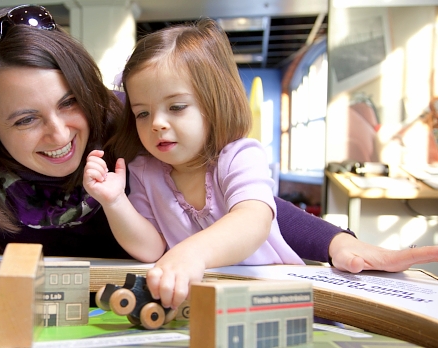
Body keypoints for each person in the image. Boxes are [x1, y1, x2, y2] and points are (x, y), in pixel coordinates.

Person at [0, 4, 437, 335]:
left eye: (68, 103)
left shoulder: (135, 125)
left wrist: (338, 241)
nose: (61, 135)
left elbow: (233, 202)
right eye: (26, 119)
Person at [84, 18, 304, 310]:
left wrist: (191, 254)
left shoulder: (240, 156)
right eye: (142, 113)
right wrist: (114, 202)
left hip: (271, 299)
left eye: (176, 107)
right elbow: (150, 248)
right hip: (200, 308)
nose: (157, 124)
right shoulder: (144, 171)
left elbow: (253, 220)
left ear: (214, 103)